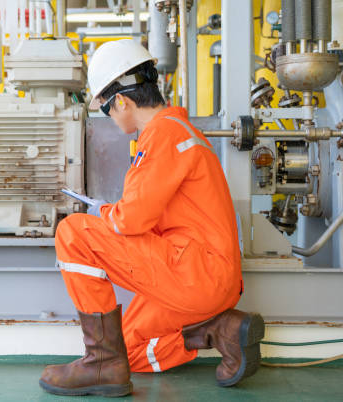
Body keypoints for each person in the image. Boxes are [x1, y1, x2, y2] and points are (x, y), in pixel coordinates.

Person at [39, 39, 264, 397]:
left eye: (108, 110)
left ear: (123, 102)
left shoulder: (163, 135)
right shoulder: (182, 133)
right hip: (205, 277)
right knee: (128, 352)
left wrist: (103, 211)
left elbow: (132, 220)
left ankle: (99, 363)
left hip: (195, 273)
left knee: (73, 233)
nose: (111, 119)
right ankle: (217, 330)